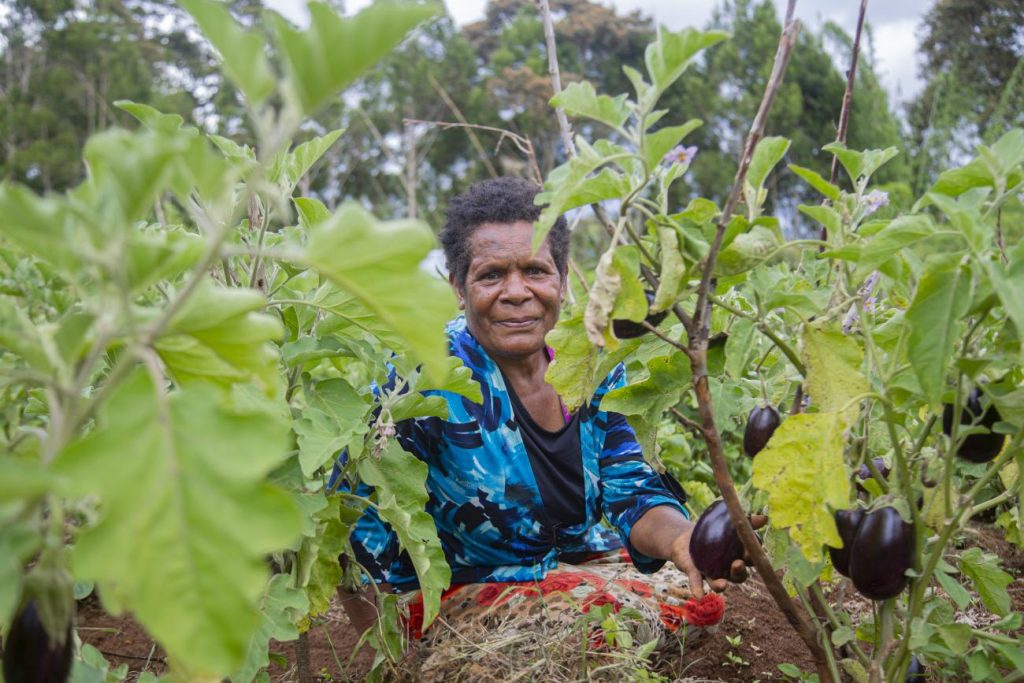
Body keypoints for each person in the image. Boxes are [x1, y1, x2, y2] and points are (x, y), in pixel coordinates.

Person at [335, 177, 757, 666]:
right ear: (457, 286)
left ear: (561, 278)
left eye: (535, 270)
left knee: (699, 602)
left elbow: (632, 491)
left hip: (574, 573)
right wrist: (389, 659)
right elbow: (359, 516)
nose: (517, 293)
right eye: (491, 275)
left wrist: (683, 540)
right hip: (463, 592)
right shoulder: (425, 374)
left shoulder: (593, 366)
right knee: (585, 627)